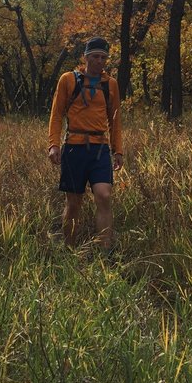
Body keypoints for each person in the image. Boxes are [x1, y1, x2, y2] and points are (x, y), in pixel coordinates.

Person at [48, 36, 123, 250]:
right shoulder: (68, 80)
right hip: (74, 147)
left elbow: (115, 120)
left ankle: (105, 253)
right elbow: (56, 115)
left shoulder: (110, 84)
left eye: (103, 57)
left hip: (100, 149)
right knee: (74, 203)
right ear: (86, 57)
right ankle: (70, 251)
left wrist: (118, 150)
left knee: (104, 196)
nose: (100, 61)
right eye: (96, 57)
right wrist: (53, 144)